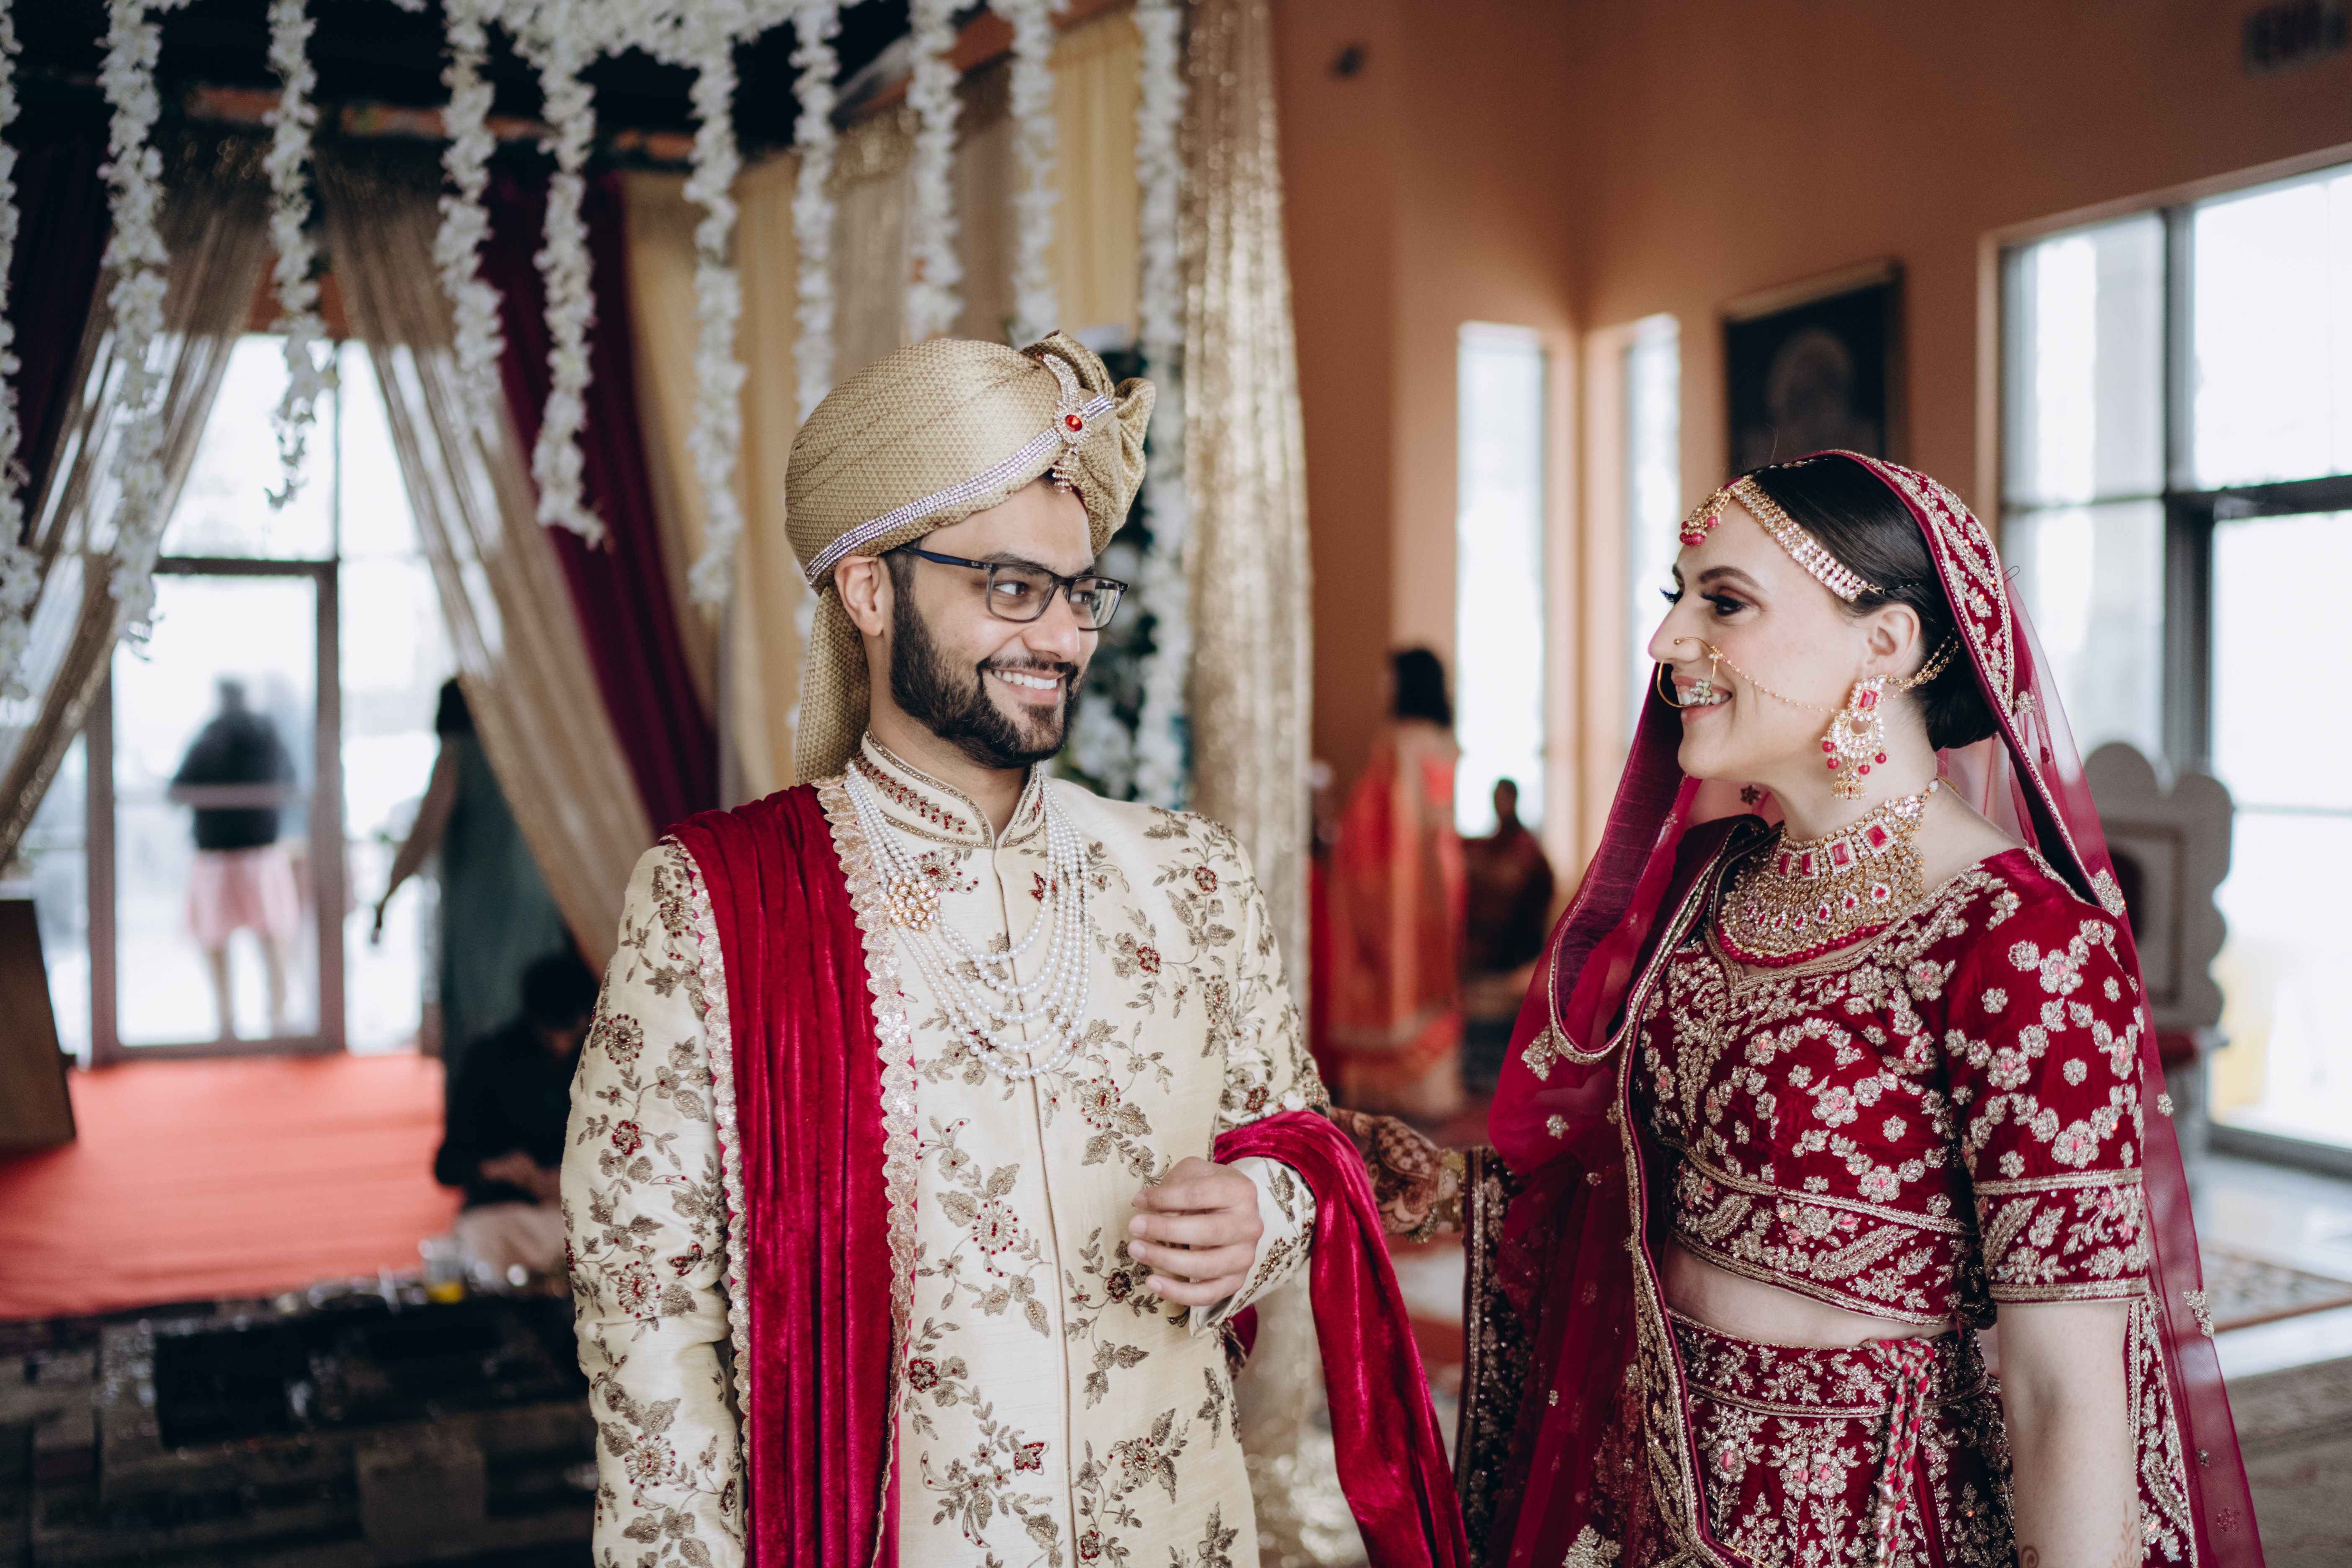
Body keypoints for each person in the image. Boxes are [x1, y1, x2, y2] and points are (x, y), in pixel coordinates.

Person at [562, 334, 1463, 1568]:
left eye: (1081, 593)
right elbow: (647, 1322)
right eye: (1010, 588)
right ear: (868, 591)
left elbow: (1293, 1140)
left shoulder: (1189, 876)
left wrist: (1263, 1208)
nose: (1065, 638)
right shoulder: (717, 903)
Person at [1451, 453, 2259, 1566]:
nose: (1668, 642)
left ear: (1886, 642)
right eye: (1678, 599)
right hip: (1651, 1495)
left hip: (1862, 1523)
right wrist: (1328, 1186)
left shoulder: (2021, 945)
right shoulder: (1713, 884)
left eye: (1724, 603)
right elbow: (1600, 1177)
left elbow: (2065, 1389)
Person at [372, 679, 571, 1078]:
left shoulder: (459, 753)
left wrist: (387, 896)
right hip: (538, 898)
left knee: (483, 1015)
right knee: (533, 1008)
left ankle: (481, 1109)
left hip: (483, 905)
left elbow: (424, 834)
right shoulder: (527, 752)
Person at [1324, 647, 1467, 1119]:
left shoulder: (1397, 742)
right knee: (1438, 966)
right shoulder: (1444, 741)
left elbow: (1378, 817)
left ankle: (1392, 1089)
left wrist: (1343, 841)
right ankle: (1435, 1084)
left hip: (1406, 871)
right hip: (1447, 863)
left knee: (1399, 970)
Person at [433, 950, 598, 1280]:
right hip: (504, 1213)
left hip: (581, 1211)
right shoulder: (491, 1059)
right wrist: (495, 1168)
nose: (561, 1044)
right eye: (551, 1031)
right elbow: (447, 1165)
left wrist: (575, 1178)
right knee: (480, 1250)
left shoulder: (605, 1057)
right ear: (533, 1019)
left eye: (571, 1030)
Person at [170, 677, 300, 1039]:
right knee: (271, 938)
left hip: (219, 857)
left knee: (217, 940)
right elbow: (291, 782)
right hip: (260, 854)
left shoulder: (210, 738)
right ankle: (277, 1015)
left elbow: (177, 789)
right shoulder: (269, 736)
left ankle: (227, 1021)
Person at [1457, 778, 1553, 1093]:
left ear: (1513, 800)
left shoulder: (1525, 846)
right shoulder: (1493, 843)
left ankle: (1498, 1068)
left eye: (1504, 799)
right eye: (1495, 799)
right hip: (1487, 947)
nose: (1500, 805)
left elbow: (1533, 885)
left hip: (1514, 948)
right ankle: (1479, 1067)